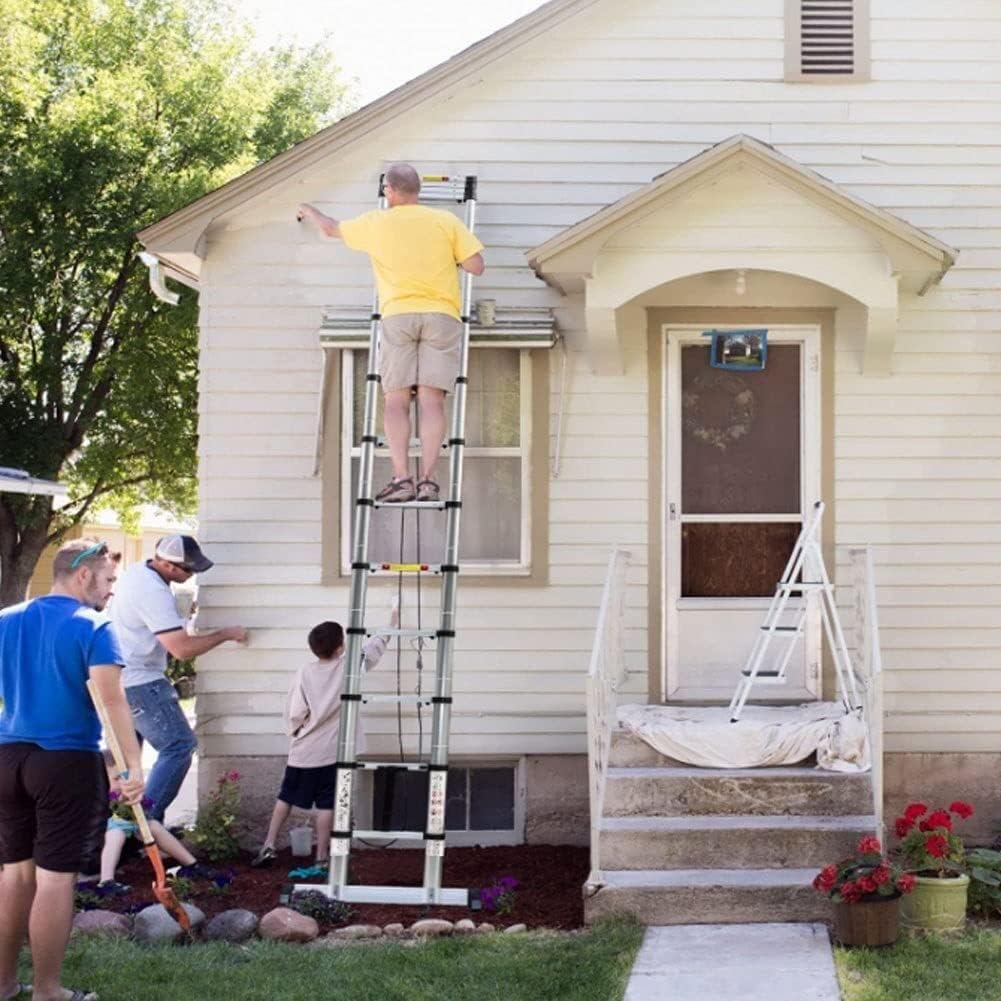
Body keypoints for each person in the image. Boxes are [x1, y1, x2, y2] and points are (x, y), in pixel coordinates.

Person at [0, 538, 145, 1001]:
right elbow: (112, 699)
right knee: (55, 879)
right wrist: (133, 765)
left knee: (15, 875)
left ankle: (3, 984)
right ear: (83, 575)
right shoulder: (94, 625)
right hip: (65, 763)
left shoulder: (5, 620)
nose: (110, 592)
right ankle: (48, 990)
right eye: (108, 581)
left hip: (8, 759)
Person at [298, 162, 485, 504]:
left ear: (389, 190)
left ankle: (402, 478)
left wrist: (308, 210)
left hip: (398, 315)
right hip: (442, 315)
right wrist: (445, 258)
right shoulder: (445, 221)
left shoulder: (376, 222)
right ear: (418, 191)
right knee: (432, 402)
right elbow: (476, 265)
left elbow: (329, 229)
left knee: (396, 401)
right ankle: (428, 480)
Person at [250, 600, 399, 871]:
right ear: (341, 647)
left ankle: (269, 845)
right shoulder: (349, 666)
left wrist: (295, 731)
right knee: (326, 805)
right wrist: (392, 621)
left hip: (304, 751)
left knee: (286, 797)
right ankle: (321, 857)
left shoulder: (305, 672)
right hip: (333, 752)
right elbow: (375, 648)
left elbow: (296, 711)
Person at [110, 534, 248, 823]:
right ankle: (144, 827)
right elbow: (182, 649)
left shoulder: (138, 573)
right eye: (189, 569)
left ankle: (114, 832)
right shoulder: (152, 591)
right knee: (178, 746)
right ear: (168, 565)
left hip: (119, 679)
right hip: (141, 682)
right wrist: (225, 634)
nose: (193, 574)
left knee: (126, 765)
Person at [96, 750, 198, 894]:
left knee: (152, 825)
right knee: (116, 831)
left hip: (124, 851)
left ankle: (191, 864)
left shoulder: (123, 793)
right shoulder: (94, 798)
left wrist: (134, 810)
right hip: (96, 855)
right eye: (116, 778)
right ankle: (106, 881)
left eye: (124, 777)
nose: (122, 782)